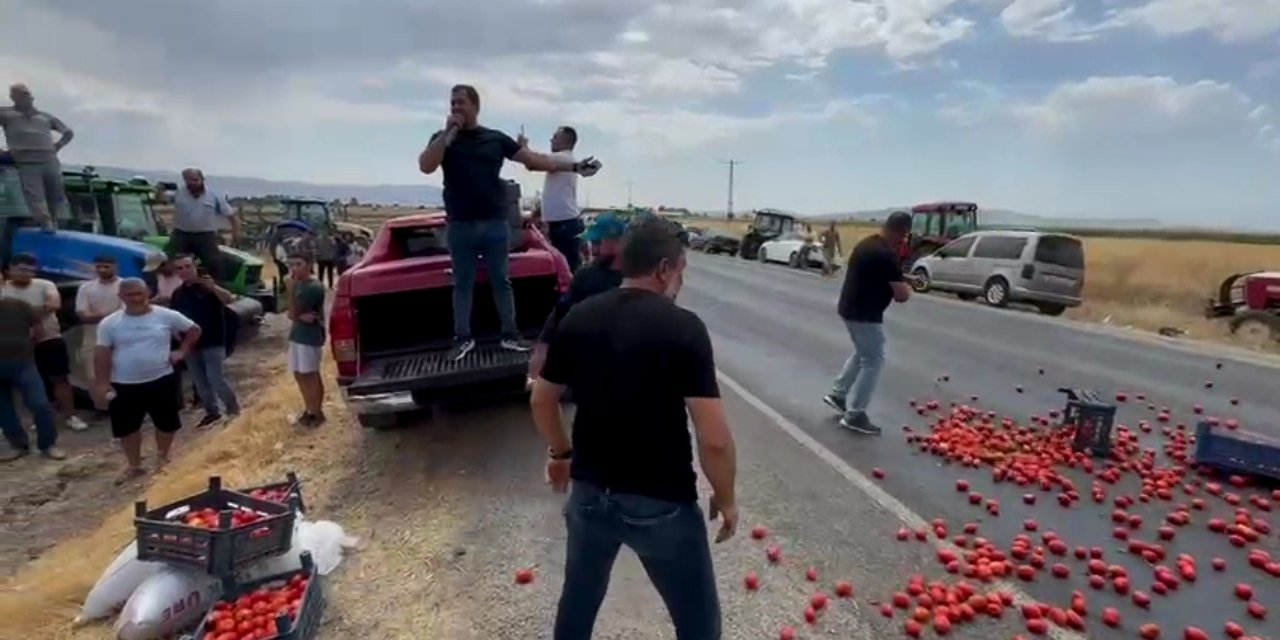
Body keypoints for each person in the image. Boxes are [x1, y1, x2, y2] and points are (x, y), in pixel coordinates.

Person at [529, 215, 737, 640]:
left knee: (579, 601)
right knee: (698, 622)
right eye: (681, 269)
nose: (681, 280)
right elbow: (714, 439)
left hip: (589, 496)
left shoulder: (580, 318)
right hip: (661, 503)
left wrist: (561, 454)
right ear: (663, 268)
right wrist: (726, 496)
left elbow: (542, 397)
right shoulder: (684, 328)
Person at [417, 84, 601, 361]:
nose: (455, 108)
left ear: (475, 107)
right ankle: (463, 338)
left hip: (494, 224)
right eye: (452, 104)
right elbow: (426, 165)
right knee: (463, 284)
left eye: (461, 103)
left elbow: (533, 161)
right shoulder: (442, 140)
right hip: (460, 226)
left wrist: (574, 167)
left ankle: (510, 335)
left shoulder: (494, 139)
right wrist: (446, 134)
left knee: (501, 281)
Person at [94, 278, 201, 481]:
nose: (135, 299)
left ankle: (162, 458)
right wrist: (102, 383)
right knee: (127, 428)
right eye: (130, 295)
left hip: (161, 378)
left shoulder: (166, 315)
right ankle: (134, 466)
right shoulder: (110, 323)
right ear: (121, 297)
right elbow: (101, 353)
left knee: (167, 423)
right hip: (123, 383)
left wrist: (181, 352)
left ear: (148, 293)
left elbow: (194, 330)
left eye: (139, 294)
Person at [822, 211, 918, 434]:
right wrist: (909, 288)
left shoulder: (868, 244)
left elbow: (879, 274)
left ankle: (838, 394)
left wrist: (902, 278)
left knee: (862, 354)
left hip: (849, 308)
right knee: (874, 360)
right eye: (903, 237)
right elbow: (901, 296)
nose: (902, 241)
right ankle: (855, 414)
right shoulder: (886, 255)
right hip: (864, 314)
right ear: (901, 232)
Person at [527, 212, 627, 386]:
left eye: (598, 242)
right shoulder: (586, 276)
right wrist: (536, 370)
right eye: (591, 242)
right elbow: (556, 319)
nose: (593, 249)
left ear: (619, 242)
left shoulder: (637, 277)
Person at [1, 254, 88, 432]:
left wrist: (23, 317)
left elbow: (53, 304)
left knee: (61, 378)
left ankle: (70, 415)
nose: (24, 273)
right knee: (29, 383)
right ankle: (39, 418)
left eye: (28, 269)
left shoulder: (45, 285)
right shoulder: (3, 289)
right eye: (19, 269)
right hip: (19, 345)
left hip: (50, 339)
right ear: (9, 270)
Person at [169, 255, 240, 428]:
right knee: (200, 382)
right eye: (179, 268)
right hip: (191, 344)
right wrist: (178, 336)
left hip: (213, 340)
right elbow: (175, 317)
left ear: (195, 267)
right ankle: (212, 412)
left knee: (216, 379)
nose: (184, 271)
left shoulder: (208, 287)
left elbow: (229, 299)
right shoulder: (178, 293)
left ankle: (234, 411)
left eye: (187, 266)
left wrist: (213, 287)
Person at [0, 288, 65, 461]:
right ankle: (18, 445)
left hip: (23, 364)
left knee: (40, 405)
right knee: (4, 411)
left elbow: (38, 328)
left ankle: (48, 444)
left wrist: (28, 348)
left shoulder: (18, 305)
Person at [0, 83, 72, 231]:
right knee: (35, 195)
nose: (26, 97)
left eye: (27, 94)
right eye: (21, 94)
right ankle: (45, 223)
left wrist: (58, 146)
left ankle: (57, 222)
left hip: (49, 158)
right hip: (27, 161)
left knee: (56, 193)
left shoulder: (45, 117)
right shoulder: (6, 114)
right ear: (13, 98)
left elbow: (68, 132)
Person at [532, 126, 602, 274]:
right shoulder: (567, 160)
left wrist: (522, 146)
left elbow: (533, 163)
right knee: (569, 267)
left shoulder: (561, 158)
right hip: (565, 223)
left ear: (565, 141)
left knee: (566, 269)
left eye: (555, 137)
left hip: (564, 224)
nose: (551, 140)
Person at [156, 169, 239, 278]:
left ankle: (217, 289)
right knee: (166, 262)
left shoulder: (214, 195)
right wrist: (159, 190)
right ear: (185, 181)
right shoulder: (178, 193)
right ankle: (169, 289)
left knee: (215, 264)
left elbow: (232, 217)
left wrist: (236, 236)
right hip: (181, 235)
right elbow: (161, 200)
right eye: (189, 180)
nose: (193, 183)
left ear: (202, 179)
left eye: (196, 180)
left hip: (205, 236)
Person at [286, 254, 327, 427]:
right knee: (299, 373)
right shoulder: (299, 285)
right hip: (297, 334)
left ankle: (316, 411)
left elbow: (293, 312)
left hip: (309, 337)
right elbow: (289, 313)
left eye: (298, 264)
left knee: (310, 374)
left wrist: (290, 291)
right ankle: (309, 408)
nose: (294, 268)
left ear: (309, 265)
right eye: (292, 264)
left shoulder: (313, 287)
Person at [75, 256, 123, 395]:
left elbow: (125, 314)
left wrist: (97, 315)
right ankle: (101, 407)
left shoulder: (124, 286)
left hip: (119, 336)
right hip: (92, 337)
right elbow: (82, 315)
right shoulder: (86, 287)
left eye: (106, 266)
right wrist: (109, 314)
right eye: (99, 267)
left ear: (115, 267)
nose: (102, 270)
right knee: (92, 375)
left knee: (120, 373)